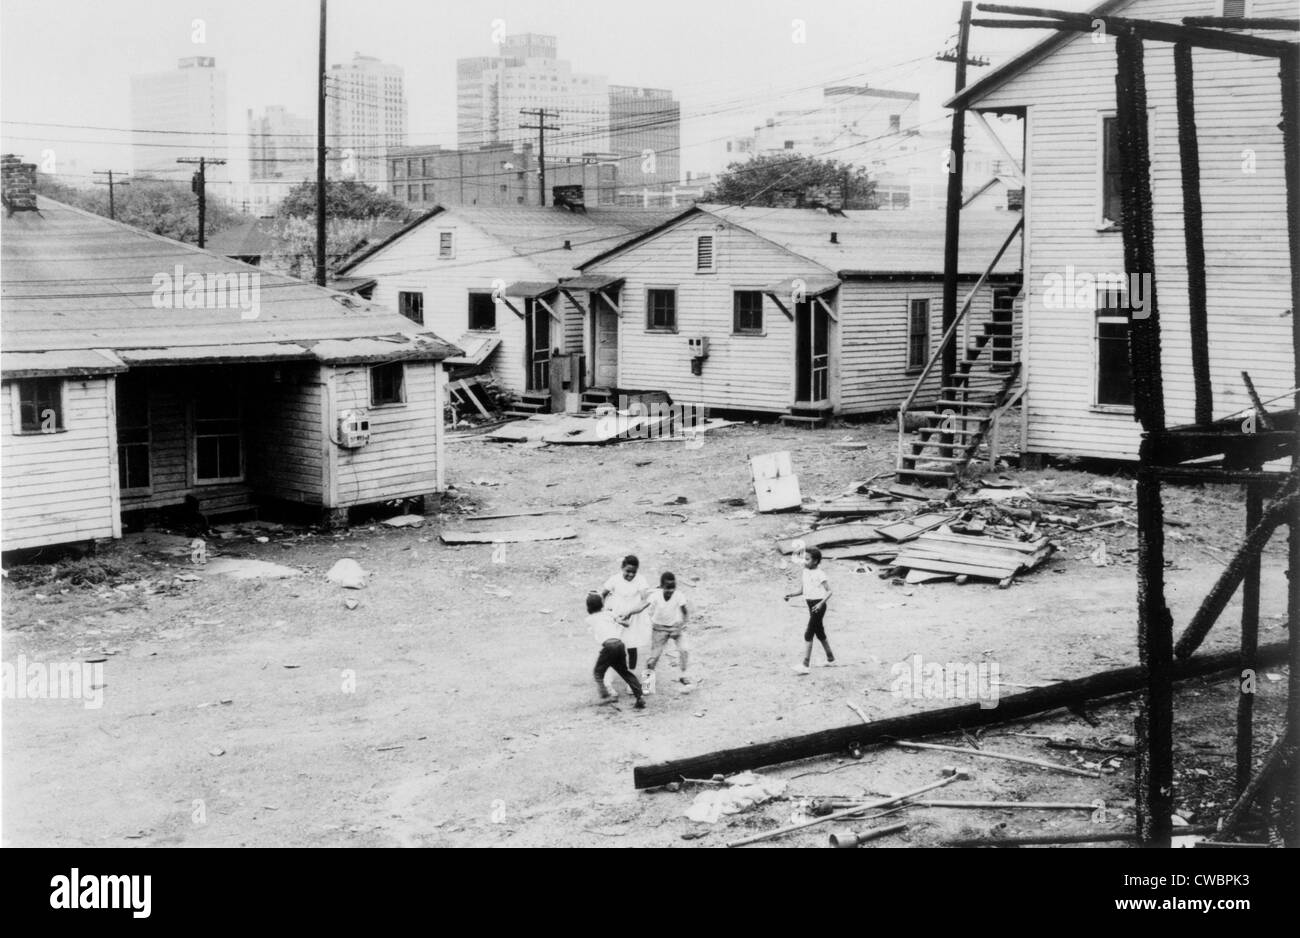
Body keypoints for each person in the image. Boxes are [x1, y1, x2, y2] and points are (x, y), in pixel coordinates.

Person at [633, 572, 691, 692]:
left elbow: (685, 614)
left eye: (672, 587)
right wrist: (628, 613)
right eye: (667, 588)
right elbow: (642, 606)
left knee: (684, 650)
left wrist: (679, 628)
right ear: (661, 586)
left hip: (675, 627)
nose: (670, 591)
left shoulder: (679, 595)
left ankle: (683, 675)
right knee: (653, 659)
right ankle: (647, 685)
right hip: (659, 629)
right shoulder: (655, 596)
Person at [586, 593, 644, 709]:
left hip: (608, 646)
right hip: (619, 644)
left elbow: (593, 627)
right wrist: (620, 618)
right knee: (624, 672)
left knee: (598, 673)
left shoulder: (589, 619)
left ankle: (605, 697)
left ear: (588, 608)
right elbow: (626, 624)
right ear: (602, 605)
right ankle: (639, 697)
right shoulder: (609, 613)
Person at [784, 547, 834, 674]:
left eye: (807, 559)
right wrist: (791, 594)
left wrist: (820, 604)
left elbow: (829, 591)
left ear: (816, 561)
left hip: (818, 606)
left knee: (809, 633)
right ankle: (830, 658)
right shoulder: (805, 572)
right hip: (811, 604)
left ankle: (805, 665)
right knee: (820, 633)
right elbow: (802, 590)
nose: (805, 562)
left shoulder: (820, 574)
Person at [601, 555, 651, 675]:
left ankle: (630, 677)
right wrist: (605, 611)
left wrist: (630, 613)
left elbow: (645, 601)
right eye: (628, 571)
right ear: (622, 568)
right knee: (613, 646)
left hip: (633, 617)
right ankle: (609, 678)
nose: (631, 575)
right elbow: (602, 594)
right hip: (617, 617)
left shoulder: (641, 580)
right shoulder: (615, 579)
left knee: (632, 647)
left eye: (634, 572)